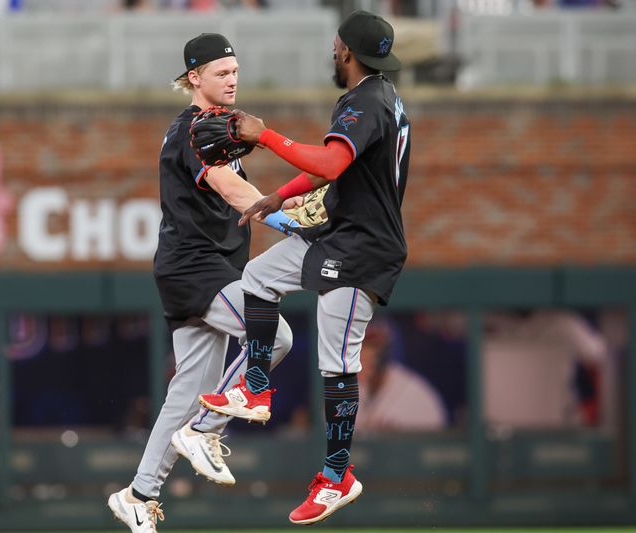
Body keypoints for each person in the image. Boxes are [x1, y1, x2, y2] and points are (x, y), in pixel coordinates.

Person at [199, 10, 410, 525]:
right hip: (339, 232)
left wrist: (265, 135)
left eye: (335, 46)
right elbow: (334, 169)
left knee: (337, 364)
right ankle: (254, 384)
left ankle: (337, 476)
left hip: (363, 249)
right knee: (258, 277)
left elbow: (332, 164)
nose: (332, 53)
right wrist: (277, 196)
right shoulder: (381, 97)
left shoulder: (367, 100)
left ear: (344, 51)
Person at [106, 33, 299, 533]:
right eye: (221, 73)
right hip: (196, 267)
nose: (232, 80)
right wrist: (290, 220)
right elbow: (232, 190)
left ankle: (139, 495)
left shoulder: (214, 127)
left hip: (199, 266)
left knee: (186, 392)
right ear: (195, 77)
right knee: (274, 335)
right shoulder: (196, 128)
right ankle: (205, 431)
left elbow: (241, 187)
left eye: (235, 71)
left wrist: (288, 202)